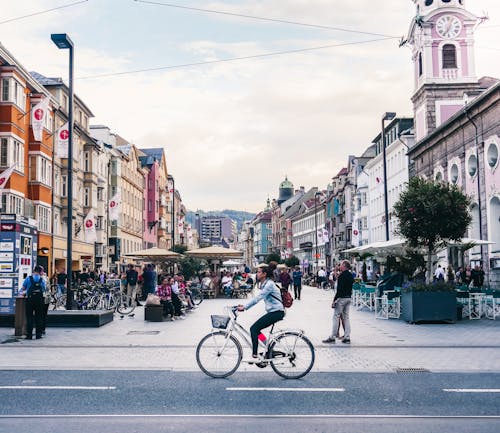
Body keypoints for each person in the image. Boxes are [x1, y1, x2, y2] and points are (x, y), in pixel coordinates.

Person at [237, 262, 285, 363]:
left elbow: (258, 298)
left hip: (277, 312)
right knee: (257, 330)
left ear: (264, 274)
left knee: (253, 329)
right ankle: (268, 346)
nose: (257, 274)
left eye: (259, 272)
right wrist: (243, 305)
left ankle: (254, 355)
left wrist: (245, 307)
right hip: (274, 311)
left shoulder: (269, 285)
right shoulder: (265, 283)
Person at [323, 260, 353, 344]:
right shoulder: (350, 275)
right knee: (346, 318)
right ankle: (347, 337)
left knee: (336, 317)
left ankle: (332, 337)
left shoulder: (342, 276)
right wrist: (336, 271)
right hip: (348, 298)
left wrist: (334, 300)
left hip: (341, 299)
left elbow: (339, 290)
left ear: (344, 266)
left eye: (341, 265)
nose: (340, 266)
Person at [19, 265, 47, 340]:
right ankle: (38, 335)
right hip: (39, 300)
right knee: (39, 317)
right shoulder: (42, 279)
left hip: (30, 300)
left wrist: (22, 293)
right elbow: (44, 289)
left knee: (29, 317)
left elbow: (23, 288)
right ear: (40, 271)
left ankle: (29, 335)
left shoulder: (28, 278)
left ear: (34, 270)